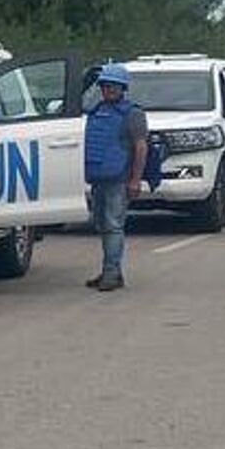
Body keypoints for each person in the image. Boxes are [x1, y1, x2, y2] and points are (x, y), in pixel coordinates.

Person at [83, 64, 148, 292]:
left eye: (113, 86)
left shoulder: (133, 114)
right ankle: (111, 271)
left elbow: (141, 148)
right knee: (102, 224)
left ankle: (111, 273)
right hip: (99, 178)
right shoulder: (96, 110)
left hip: (119, 179)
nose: (108, 90)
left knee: (113, 225)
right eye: (104, 86)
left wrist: (135, 179)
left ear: (123, 88)